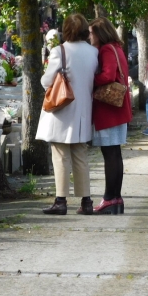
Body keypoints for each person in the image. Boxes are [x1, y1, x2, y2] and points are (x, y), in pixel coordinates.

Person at [36, 14, 98, 215]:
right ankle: (86, 200)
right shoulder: (93, 52)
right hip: (83, 109)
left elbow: (47, 81)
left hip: (62, 109)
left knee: (61, 155)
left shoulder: (59, 51)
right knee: (80, 155)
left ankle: (61, 200)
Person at [89, 17, 132, 215]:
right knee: (114, 153)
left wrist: (90, 79)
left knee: (110, 154)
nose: (89, 36)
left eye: (91, 32)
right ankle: (116, 198)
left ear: (100, 34)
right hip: (117, 108)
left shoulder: (106, 50)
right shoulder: (117, 48)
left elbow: (107, 76)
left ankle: (109, 198)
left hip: (108, 109)